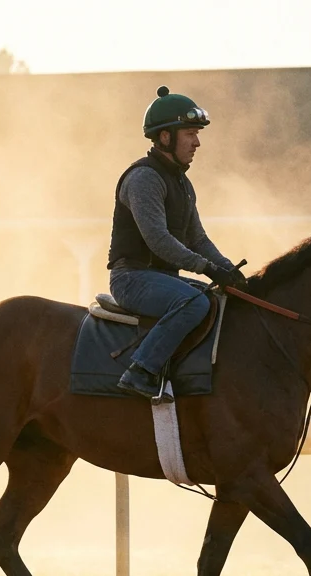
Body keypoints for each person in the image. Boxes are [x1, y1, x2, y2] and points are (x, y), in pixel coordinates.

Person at [106, 85, 247, 400]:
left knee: (216, 300)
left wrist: (226, 269)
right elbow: (158, 240)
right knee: (193, 302)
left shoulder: (182, 183)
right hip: (131, 279)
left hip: (161, 279)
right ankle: (141, 370)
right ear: (165, 137)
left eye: (197, 134)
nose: (197, 142)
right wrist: (207, 268)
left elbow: (197, 238)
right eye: (190, 134)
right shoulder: (144, 179)